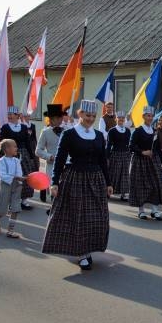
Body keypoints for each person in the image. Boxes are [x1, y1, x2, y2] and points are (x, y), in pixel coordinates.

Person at [42, 100, 112, 270]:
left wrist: (108, 182)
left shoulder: (98, 135)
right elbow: (59, 160)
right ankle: (82, 254)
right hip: (75, 179)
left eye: (93, 116)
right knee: (79, 218)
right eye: (88, 115)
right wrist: (54, 182)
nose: (90, 119)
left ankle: (89, 248)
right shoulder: (69, 134)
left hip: (95, 180)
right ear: (80, 114)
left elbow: (103, 160)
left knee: (97, 218)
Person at [129, 106, 162, 220]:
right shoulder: (138, 130)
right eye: (148, 115)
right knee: (141, 186)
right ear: (143, 116)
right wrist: (142, 152)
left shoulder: (155, 131)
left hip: (153, 161)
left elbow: (158, 149)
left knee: (156, 184)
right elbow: (131, 146)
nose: (150, 118)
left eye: (151, 116)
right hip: (140, 161)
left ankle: (154, 210)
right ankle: (141, 211)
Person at [0, 106, 37, 210]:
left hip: (23, 154)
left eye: (12, 114)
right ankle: (12, 201)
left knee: (25, 176)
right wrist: (6, 154)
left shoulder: (24, 127)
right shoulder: (5, 127)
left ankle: (24, 200)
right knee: (13, 177)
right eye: (8, 115)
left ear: (17, 116)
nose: (9, 116)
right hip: (10, 155)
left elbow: (28, 142)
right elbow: (2, 142)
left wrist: (31, 156)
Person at [0, 139, 27, 238]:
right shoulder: (1, 161)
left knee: (15, 208)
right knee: (2, 210)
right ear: (7, 149)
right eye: (14, 146)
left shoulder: (16, 160)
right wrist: (15, 177)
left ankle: (10, 231)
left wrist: (21, 179)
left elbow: (19, 172)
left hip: (16, 186)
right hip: (6, 185)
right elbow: (2, 175)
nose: (16, 148)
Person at [36, 104, 65, 206]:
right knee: (55, 195)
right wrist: (49, 156)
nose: (61, 119)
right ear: (52, 119)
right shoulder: (45, 132)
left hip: (66, 167)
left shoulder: (67, 131)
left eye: (61, 117)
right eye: (58, 118)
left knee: (65, 196)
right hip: (52, 167)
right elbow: (38, 150)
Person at [106, 110, 132, 201]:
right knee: (114, 173)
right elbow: (109, 144)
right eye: (119, 118)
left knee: (124, 174)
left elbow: (129, 143)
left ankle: (124, 194)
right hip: (115, 154)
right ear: (116, 119)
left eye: (122, 118)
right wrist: (107, 157)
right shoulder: (112, 131)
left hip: (125, 154)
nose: (121, 119)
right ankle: (108, 191)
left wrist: (130, 153)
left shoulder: (128, 131)